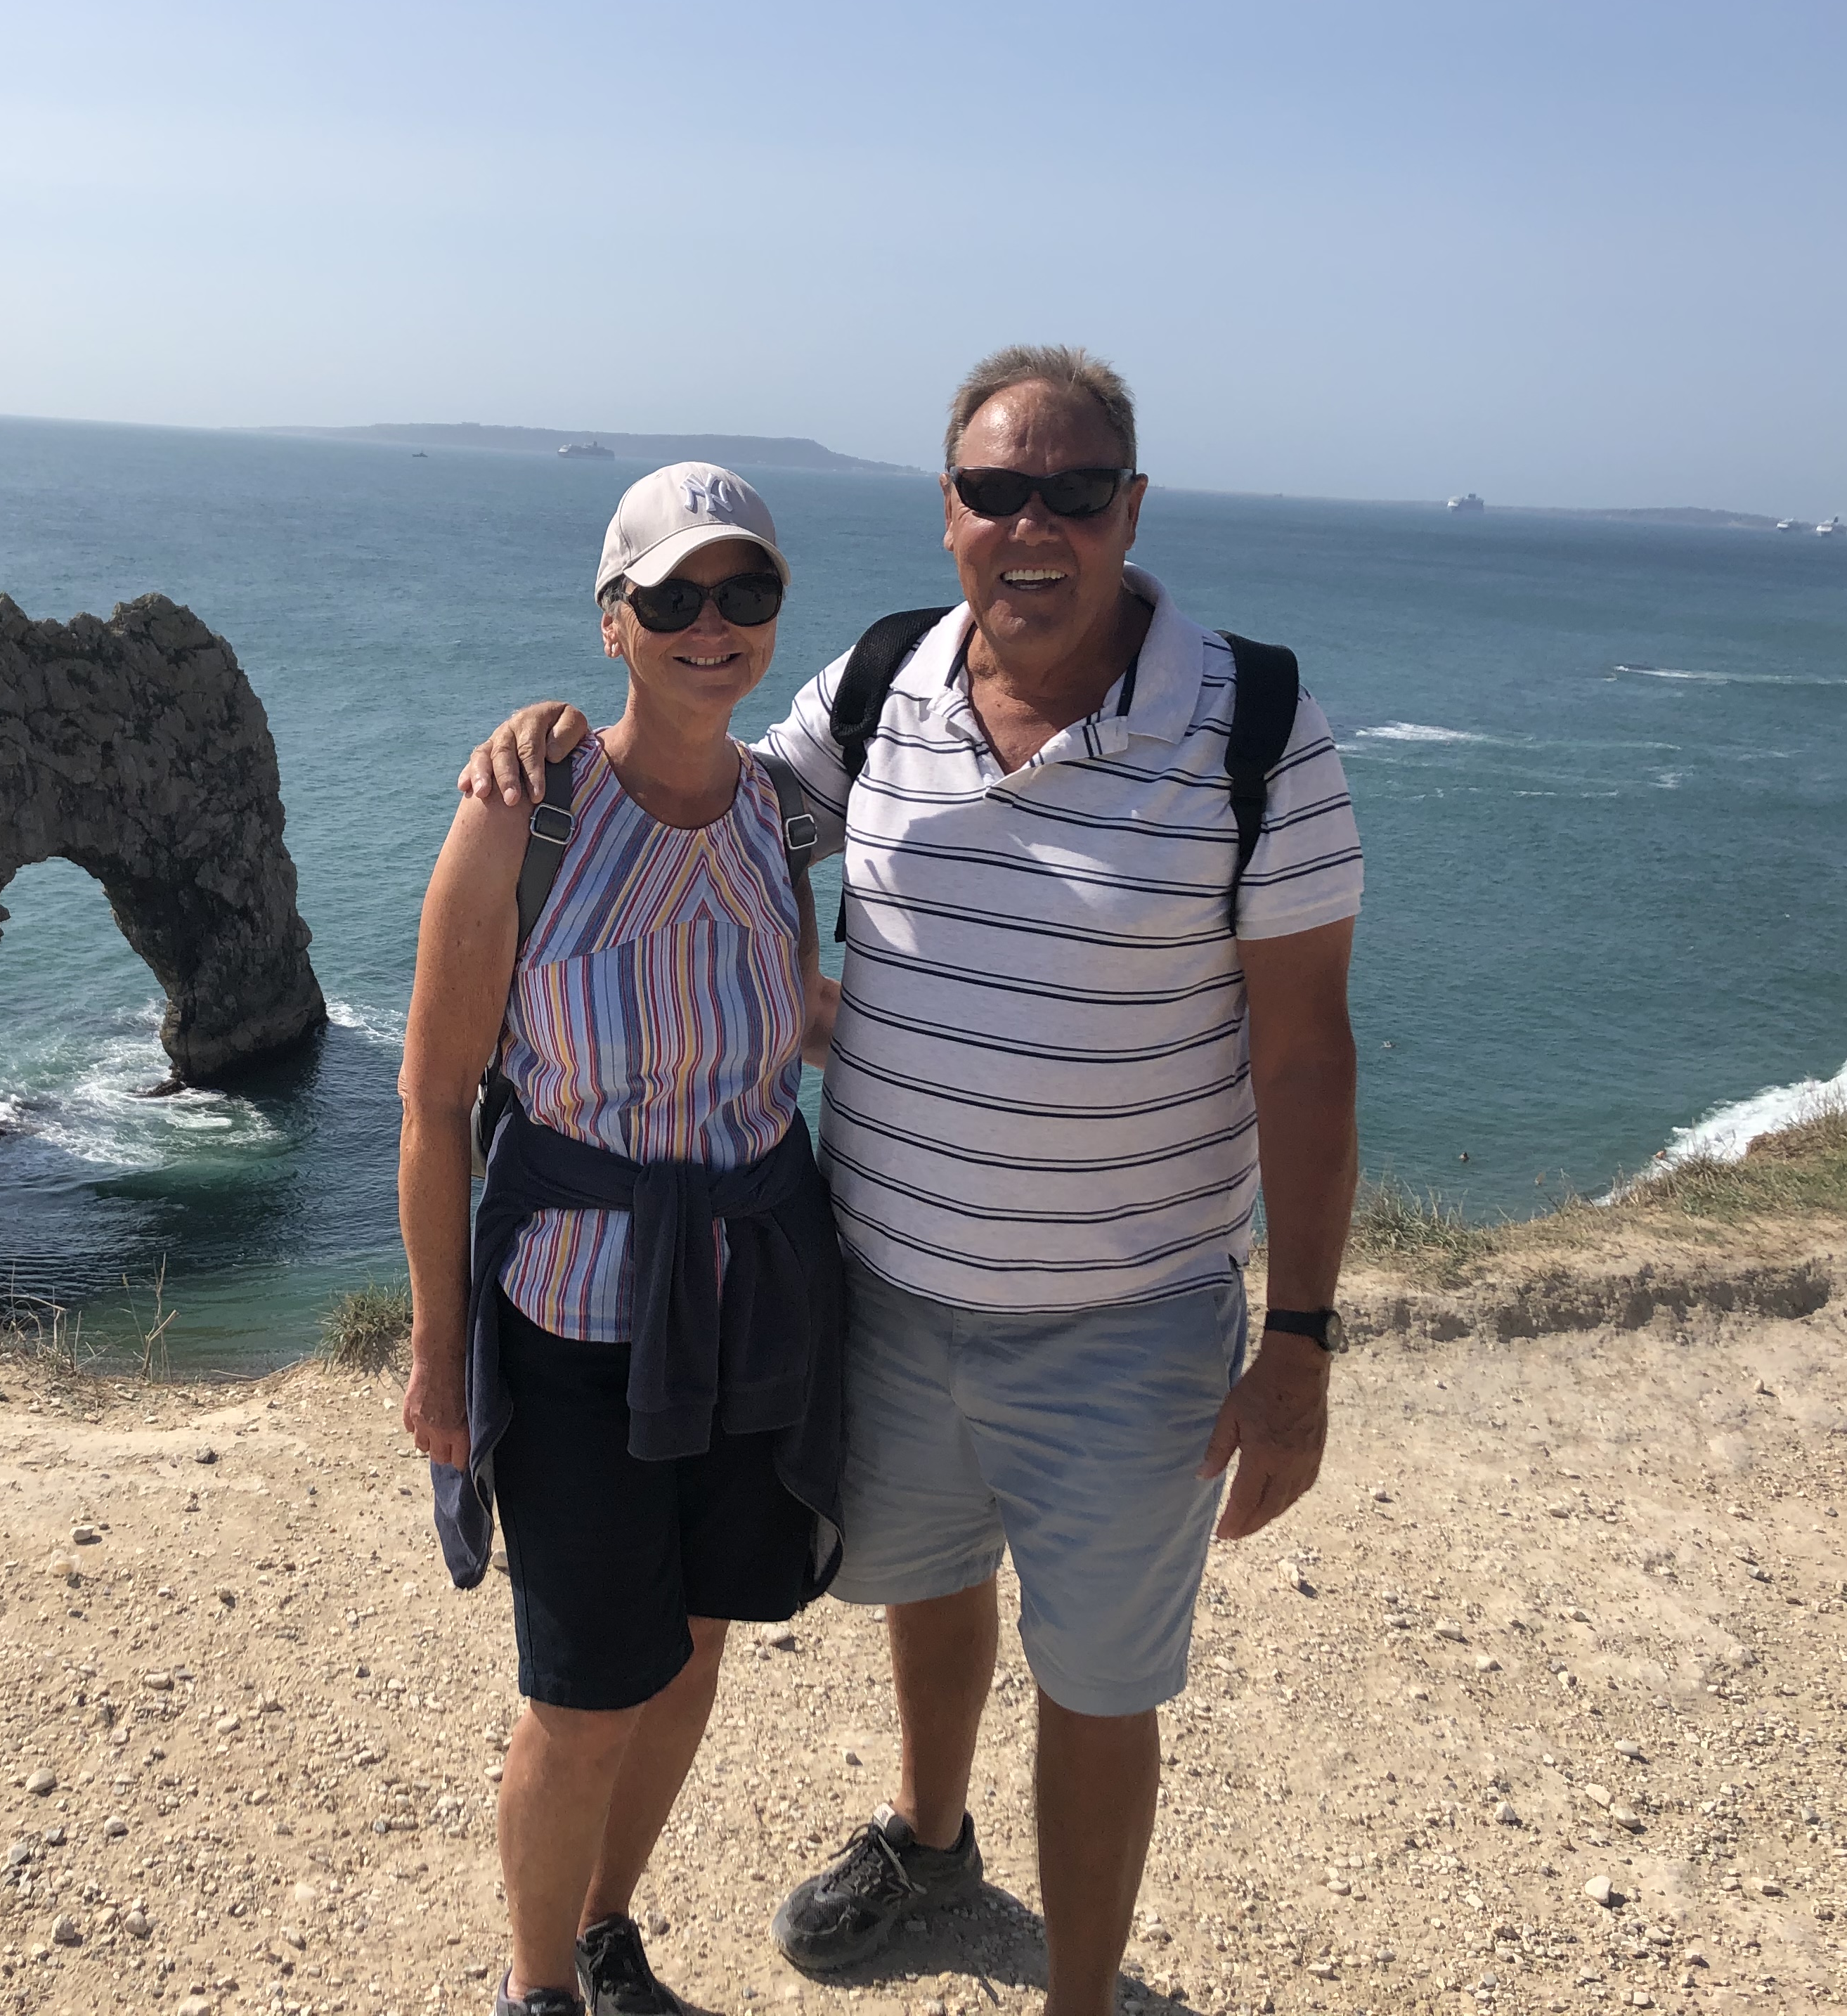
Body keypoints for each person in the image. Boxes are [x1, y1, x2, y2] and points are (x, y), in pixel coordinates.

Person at [460, 348, 1364, 2016]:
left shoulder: (1254, 726)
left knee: (1099, 1685)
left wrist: (1299, 1339)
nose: (1035, 526)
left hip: (1127, 1322)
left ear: (1129, 510)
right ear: (946, 513)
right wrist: (550, 739)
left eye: (1073, 491)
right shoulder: (883, 689)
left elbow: (1306, 1051)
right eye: (995, 491)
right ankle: (931, 1845)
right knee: (928, 1582)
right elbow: (703, 794)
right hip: (877, 1290)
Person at [400, 463, 847, 2016]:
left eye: (746, 594)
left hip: (743, 1312)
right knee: (586, 1695)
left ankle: (607, 1934)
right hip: (575, 1325)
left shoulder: (785, 816)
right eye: (672, 598)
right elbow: (432, 1100)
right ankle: (537, 1995)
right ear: (614, 624)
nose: (711, 627)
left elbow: (793, 1022)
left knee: (698, 1651)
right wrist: (440, 1351)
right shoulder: (525, 815)